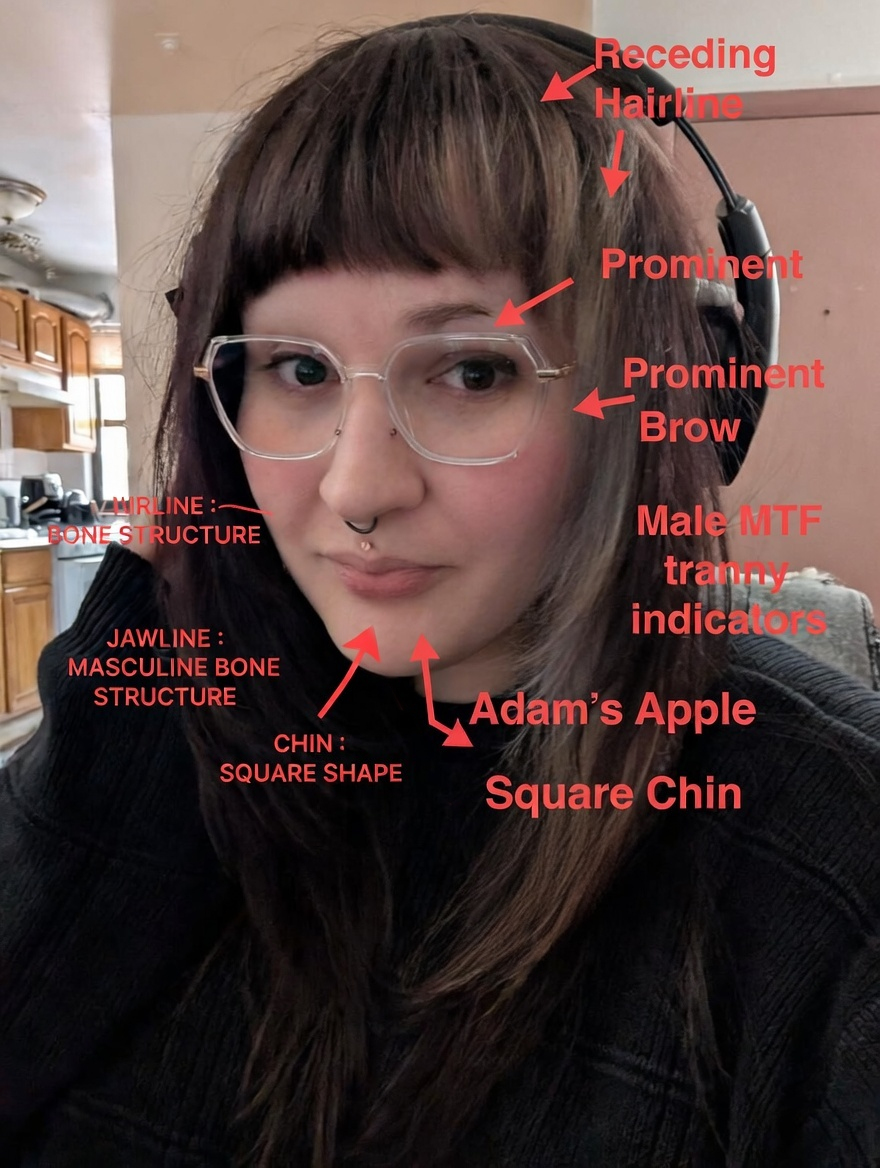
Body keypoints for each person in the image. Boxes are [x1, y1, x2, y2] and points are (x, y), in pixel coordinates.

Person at [2, 13, 879, 1168]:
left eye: (473, 369)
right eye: (298, 368)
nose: (356, 488)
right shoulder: (172, 721)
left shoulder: (828, 855)